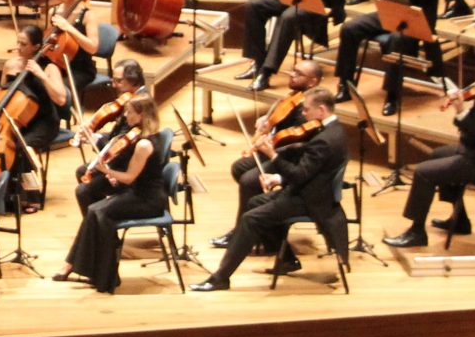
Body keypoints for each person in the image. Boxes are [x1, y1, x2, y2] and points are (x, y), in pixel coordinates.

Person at [193, 89, 347, 289]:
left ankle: (221, 277)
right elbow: (310, 171)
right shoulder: (334, 130)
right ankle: (287, 259)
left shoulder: (324, 140)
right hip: (309, 191)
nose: (304, 114)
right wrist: (278, 177)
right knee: (253, 203)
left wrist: (273, 156)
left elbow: (300, 175)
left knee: (251, 219)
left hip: (310, 200)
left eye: (307, 110)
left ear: (321, 110)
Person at [385, 45, 475, 248]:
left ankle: (416, 232)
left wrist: (461, 110)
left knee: (423, 172)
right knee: (436, 154)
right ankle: (460, 220)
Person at [52, 92, 169, 293]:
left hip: (147, 200)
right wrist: (114, 174)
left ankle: (104, 277)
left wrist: (108, 171)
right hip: (137, 192)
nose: (125, 116)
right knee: (95, 211)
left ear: (141, 115)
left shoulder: (143, 144)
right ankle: (101, 274)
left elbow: (130, 177)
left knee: (99, 212)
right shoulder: (139, 136)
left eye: (129, 112)